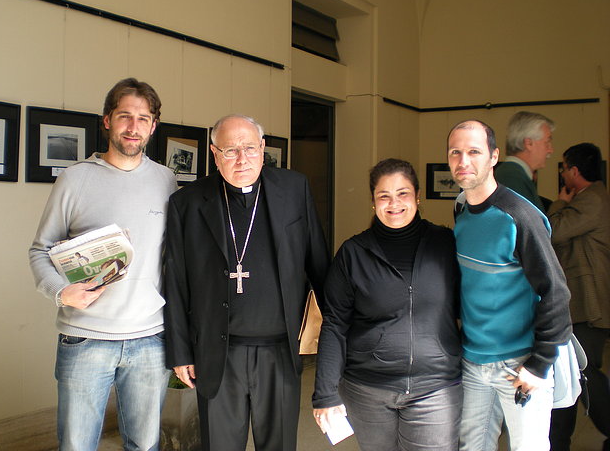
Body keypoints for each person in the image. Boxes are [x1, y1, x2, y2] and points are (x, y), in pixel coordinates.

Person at [164, 114, 330, 451]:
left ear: (263, 148)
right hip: (219, 353)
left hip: (280, 352)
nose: (242, 159)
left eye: (250, 148)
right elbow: (176, 282)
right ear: (214, 153)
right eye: (230, 151)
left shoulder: (293, 189)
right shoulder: (189, 202)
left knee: (279, 444)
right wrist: (181, 352)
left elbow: (320, 266)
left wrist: (334, 344)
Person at [29, 78, 177, 451]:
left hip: (150, 339)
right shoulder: (74, 179)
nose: (133, 126)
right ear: (107, 120)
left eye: (143, 118)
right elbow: (39, 250)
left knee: (144, 446)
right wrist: (62, 292)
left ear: (153, 126)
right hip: (84, 338)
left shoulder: (166, 180)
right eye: (125, 116)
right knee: (76, 446)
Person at [312, 158, 462, 451]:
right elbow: (335, 325)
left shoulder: (446, 244)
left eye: (403, 193)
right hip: (368, 390)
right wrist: (325, 394)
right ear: (373, 202)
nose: (394, 203)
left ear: (417, 196)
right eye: (384, 196)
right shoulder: (353, 253)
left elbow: (472, 306)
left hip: (435, 388)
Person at [447, 119, 571, 451]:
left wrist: (539, 364)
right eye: (455, 153)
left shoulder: (520, 216)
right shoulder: (461, 208)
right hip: (473, 363)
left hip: (520, 363)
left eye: (474, 152)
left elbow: (556, 293)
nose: (463, 162)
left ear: (493, 157)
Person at [547, 143, 610, 451]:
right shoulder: (591, 198)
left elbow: (552, 230)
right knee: (575, 372)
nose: (562, 174)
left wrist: (558, 203)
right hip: (584, 305)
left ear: (573, 171)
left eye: (563, 167)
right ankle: (559, 441)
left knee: (584, 373)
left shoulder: (591, 200)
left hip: (591, 306)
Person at [494, 111, 555, 212]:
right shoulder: (511, 177)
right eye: (547, 142)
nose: (550, 150)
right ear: (528, 143)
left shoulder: (514, 175)